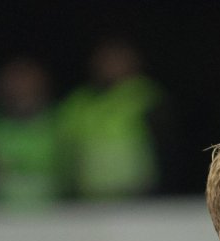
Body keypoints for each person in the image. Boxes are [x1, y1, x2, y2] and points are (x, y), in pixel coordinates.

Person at [57, 38, 171, 199]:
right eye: (106, 59)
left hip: (138, 195)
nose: (111, 65)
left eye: (118, 59)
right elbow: (65, 150)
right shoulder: (78, 102)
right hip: (88, 197)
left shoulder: (146, 96)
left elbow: (166, 148)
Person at [0, 56, 63, 210]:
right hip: (2, 213)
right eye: (14, 79)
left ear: (40, 81)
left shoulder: (58, 121)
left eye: (25, 78)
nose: (20, 85)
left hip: (53, 214)